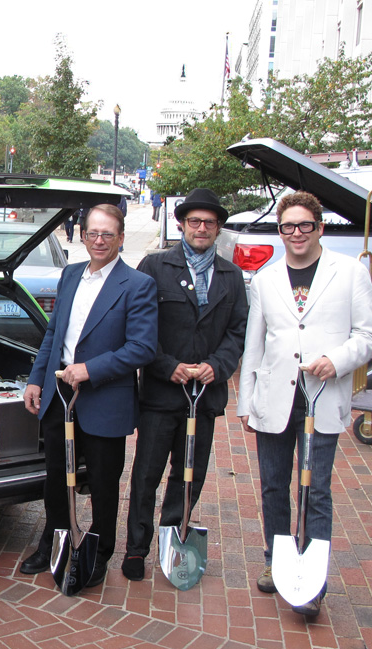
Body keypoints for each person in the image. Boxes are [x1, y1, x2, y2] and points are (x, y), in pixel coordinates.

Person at [238, 191, 372, 617]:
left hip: (322, 394)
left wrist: (335, 361)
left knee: (315, 490)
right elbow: (255, 344)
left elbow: (370, 337)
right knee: (273, 486)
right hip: (275, 397)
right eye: (287, 227)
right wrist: (246, 400)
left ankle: (313, 578)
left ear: (319, 227)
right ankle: (275, 560)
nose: (296, 234)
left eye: (304, 225)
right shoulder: (265, 279)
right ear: (280, 232)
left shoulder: (349, 273)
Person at [20, 204, 158, 587]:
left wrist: (91, 369)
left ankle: (98, 551)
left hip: (104, 399)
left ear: (121, 238)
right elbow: (53, 334)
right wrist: (36, 379)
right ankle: (54, 539)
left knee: (102, 481)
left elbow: (142, 348)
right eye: (92, 233)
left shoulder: (137, 285)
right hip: (59, 391)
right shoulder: (69, 275)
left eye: (107, 235)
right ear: (81, 235)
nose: (98, 241)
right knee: (55, 477)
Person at [122, 188, 248, 581]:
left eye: (209, 223)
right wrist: (165, 365)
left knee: (189, 473)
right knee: (146, 474)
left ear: (218, 228)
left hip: (204, 396)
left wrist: (218, 365)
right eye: (194, 221)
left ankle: (171, 540)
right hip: (162, 394)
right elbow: (137, 326)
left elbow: (238, 330)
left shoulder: (232, 276)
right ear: (181, 224)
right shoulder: (155, 266)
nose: (201, 228)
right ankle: (136, 548)